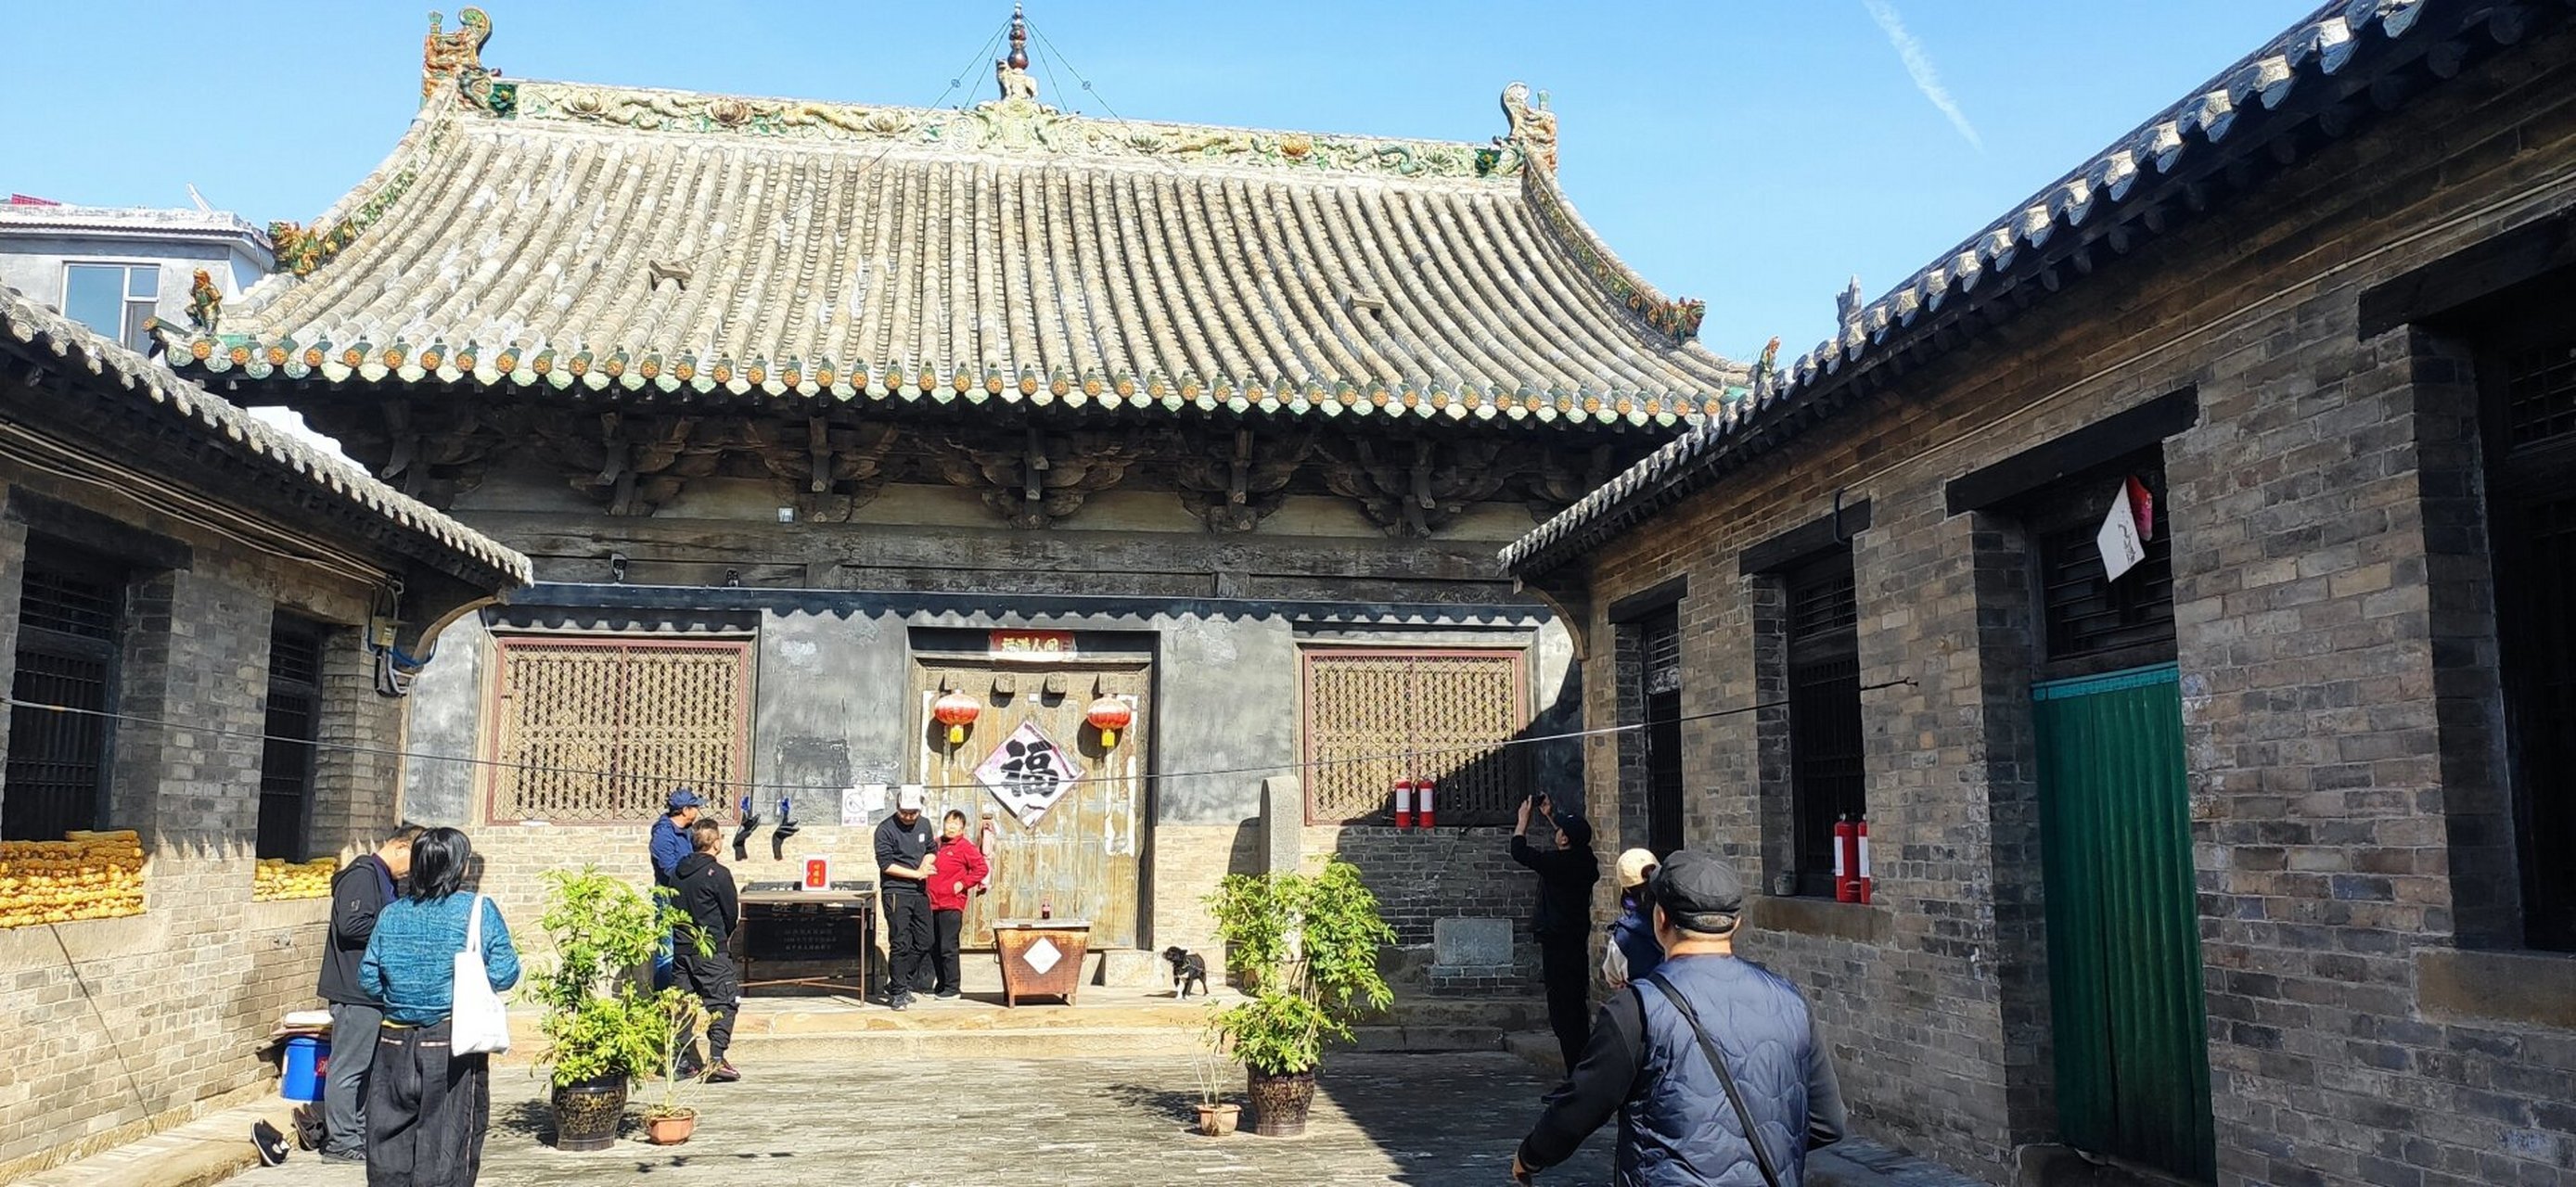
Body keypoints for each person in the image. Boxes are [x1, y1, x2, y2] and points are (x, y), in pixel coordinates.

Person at [1512, 850, 1847, 1186]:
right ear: (1736, 923)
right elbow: (1828, 1122)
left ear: (1661, 919)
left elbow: (1580, 1108)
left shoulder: (1637, 1008)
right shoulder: (1790, 1000)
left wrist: (1531, 1155)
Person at [358, 827, 519, 1187]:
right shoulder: (477, 910)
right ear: (459, 867)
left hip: (393, 1042)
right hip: (453, 1039)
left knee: (388, 1139)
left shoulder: (392, 915)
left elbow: (368, 979)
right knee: (448, 1139)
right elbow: (506, 973)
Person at [314, 823, 422, 1163]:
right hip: (354, 990)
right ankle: (340, 1141)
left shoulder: (385, 879)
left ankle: (357, 1133)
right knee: (348, 1067)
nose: (412, 872)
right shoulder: (362, 875)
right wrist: (397, 928)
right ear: (401, 847)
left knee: (366, 1068)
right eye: (414, 861)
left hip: (371, 992)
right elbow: (352, 925)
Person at [1511, 793, 1600, 1076]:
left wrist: (1522, 823)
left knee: (1563, 1014)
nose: (1557, 832)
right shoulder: (1586, 861)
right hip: (1575, 940)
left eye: (1560, 831)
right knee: (1575, 1007)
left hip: (1557, 942)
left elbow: (1519, 851)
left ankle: (1577, 1078)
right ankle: (1580, 1074)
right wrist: (1552, 815)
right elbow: (1573, 835)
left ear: (1564, 840)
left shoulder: (1558, 864)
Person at [671, 818, 742, 1082]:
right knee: (724, 1001)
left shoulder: (675, 873)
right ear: (714, 842)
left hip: (681, 948)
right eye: (720, 837)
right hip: (710, 948)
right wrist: (720, 937)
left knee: (683, 1005)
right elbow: (730, 913)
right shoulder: (718, 874)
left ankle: (681, 1061)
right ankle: (716, 1059)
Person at [873, 785, 939, 1010]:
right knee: (900, 942)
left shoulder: (924, 824)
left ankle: (899, 980)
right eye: (904, 812)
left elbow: (931, 849)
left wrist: (926, 864)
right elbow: (886, 864)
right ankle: (899, 991)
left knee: (925, 939)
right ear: (897, 807)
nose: (909, 817)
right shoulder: (885, 829)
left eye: (913, 813)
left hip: (919, 891)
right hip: (896, 890)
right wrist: (916, 874)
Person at [926, 809, 991, 1001]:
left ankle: (953, 987)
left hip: (952, 904)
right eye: (949, 823)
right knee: (934, 945)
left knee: (948, 946)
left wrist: (963, 883)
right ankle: (942, 983)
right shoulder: (936, 844)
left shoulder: (965, 847)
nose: (951, 827)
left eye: (956, 824)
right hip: (932, 903)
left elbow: (981, 868)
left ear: (962, 828)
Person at [649, 788, 705, 990]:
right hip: (667, 897)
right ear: (685, 810)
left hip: (686, 895)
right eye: (695, 807)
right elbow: (670, 870)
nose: (698, 810)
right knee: (667, 949)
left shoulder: (688, 831)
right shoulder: (664, 835)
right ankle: (664, 998)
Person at [1602, 848, 1663, 991]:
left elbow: (1614, 979)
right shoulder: (1684, 917)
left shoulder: (1622, 937)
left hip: (1645, 1006)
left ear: (1625, 889)